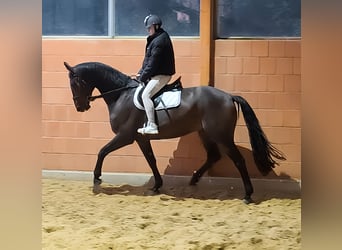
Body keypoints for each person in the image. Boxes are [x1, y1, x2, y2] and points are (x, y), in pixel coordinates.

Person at [136, 14, 176, 134]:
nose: (148, 30)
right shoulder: (155, 39)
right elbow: (147, 60)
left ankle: (152, 125)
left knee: (145, 95)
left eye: (149, 28)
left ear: (156, 26)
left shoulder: (159, 41)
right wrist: (140, 73)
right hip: (156, 73)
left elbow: (153, 64)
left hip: (162, 75)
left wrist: (143, 77)